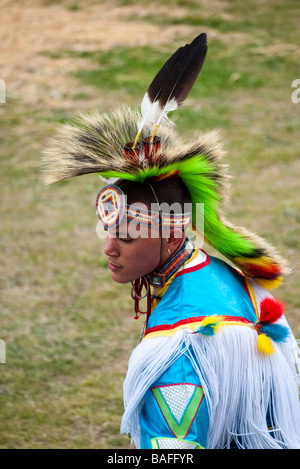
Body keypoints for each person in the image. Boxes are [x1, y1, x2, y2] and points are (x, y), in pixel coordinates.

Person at [42, 33, 300, 449]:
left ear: (172, 232)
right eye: (109, 232)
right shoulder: (227, 277)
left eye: (126, 237)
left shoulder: (178, 349)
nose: (109, 248)